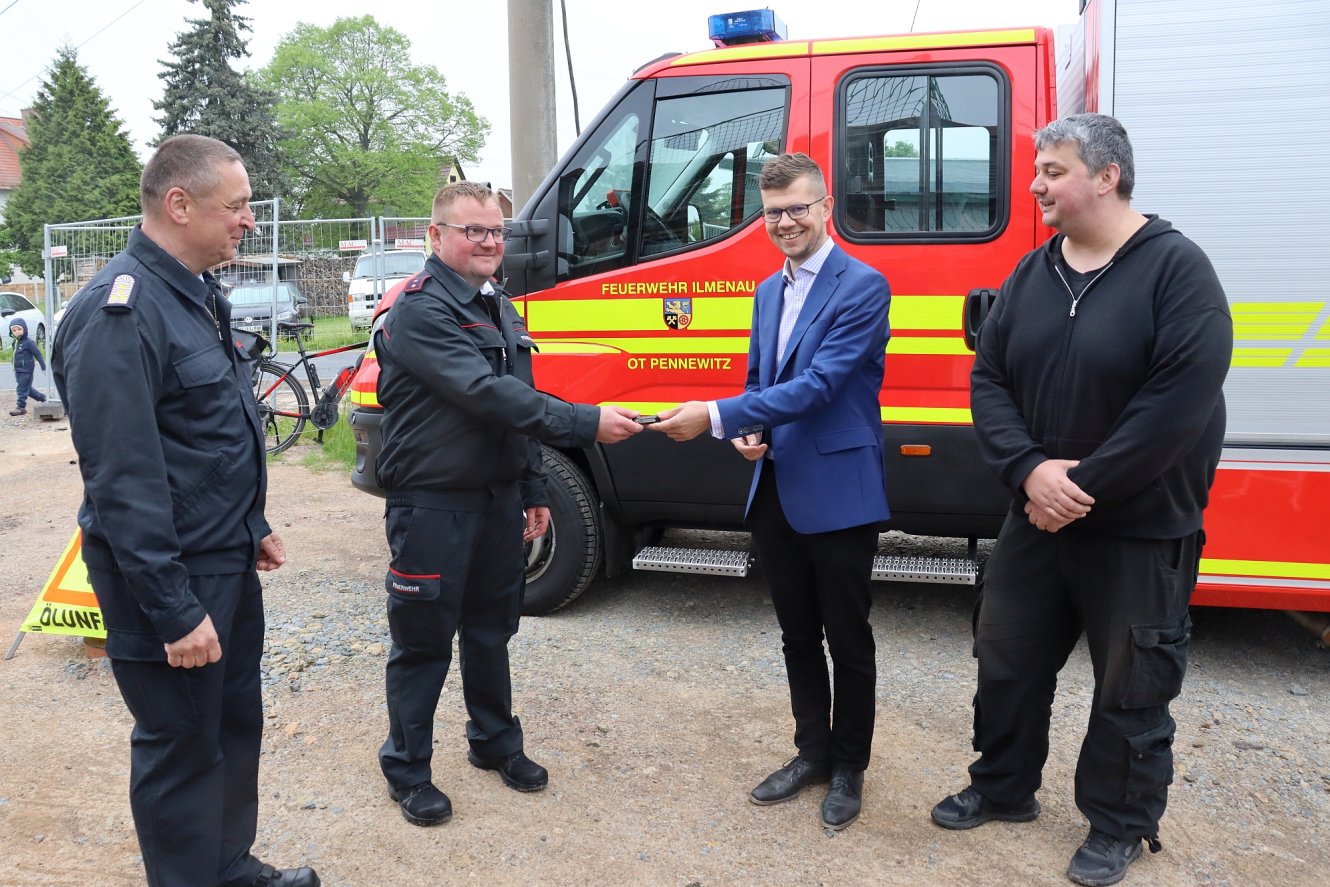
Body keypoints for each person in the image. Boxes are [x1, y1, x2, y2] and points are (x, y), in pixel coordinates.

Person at [930, 114, 1232, 886]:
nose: (1036, 185)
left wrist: (1080, 487)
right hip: (1036, 518)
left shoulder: (1177, 272)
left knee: (1133, 685)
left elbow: (1177, 406)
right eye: (1038, 170)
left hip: (1138, 526)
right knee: (1006, 660)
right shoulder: (1034, 273)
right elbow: (989, 380)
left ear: (1108, 176)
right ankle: (1003, 788)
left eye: (1053, 170)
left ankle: (1118, 825)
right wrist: (1030, 472)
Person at [52, 135, 318, 887]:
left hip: (219, 561)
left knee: (230, 727)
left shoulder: (193, 294)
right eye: (235, 207)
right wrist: (171, 608)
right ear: (179, 204)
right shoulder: (120, 313)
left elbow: (206, 436)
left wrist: (250, 525)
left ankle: (225, 865)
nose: (248, 222)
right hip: (166, 578)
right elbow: (123, 481)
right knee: (181, 745)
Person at [372, 180, 643, 827]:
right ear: (437, 237)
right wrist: (586, 421)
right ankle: (408, 770)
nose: (491, 241)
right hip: (432, 507)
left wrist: (530, 488)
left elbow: (514, 401)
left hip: (495, 503)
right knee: (424, 642)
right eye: (474, 231)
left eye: (498, 231)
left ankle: (495, 743)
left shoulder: (498, 304)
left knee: (492, 632)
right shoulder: (419, 310)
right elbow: (487, 394)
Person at [653, 152, 890, 831]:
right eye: (772, 212)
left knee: (848, 637)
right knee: (796, 634)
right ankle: (811, 752)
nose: (785, 221)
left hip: (840, 491)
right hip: (777, 486)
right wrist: (746, 429)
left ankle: (850, 768)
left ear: (825, 208)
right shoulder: (766, 290)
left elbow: (821, 384)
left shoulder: (863, 286)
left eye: (796, 208)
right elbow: (763, 382)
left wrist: (716, 415)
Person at [9, 317, 48, 415]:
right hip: (18, 370)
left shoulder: (28, 342)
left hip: (26, 370)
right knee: (27, 389)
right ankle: (44, 398)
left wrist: (43, 366)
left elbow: (37, 354)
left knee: (21, 389)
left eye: (19, 329)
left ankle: (21, 407)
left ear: (24, 329)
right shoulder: (15, 342)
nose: (17, 332)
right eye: (14, 330)